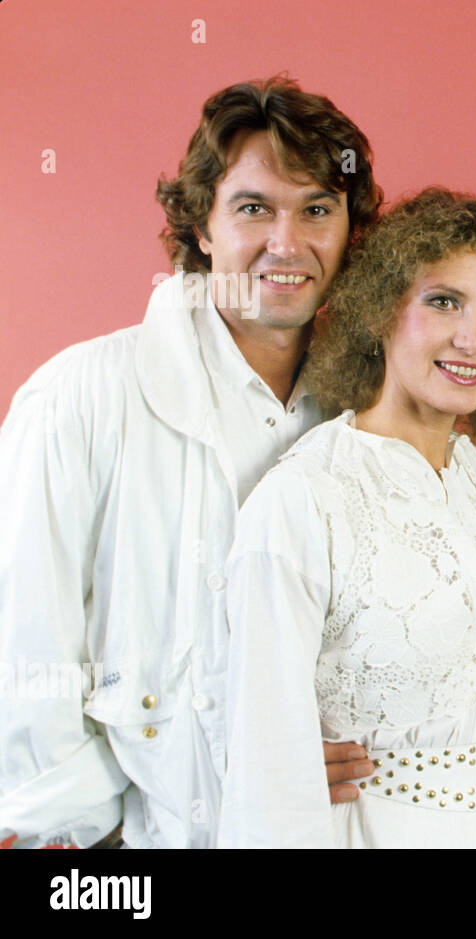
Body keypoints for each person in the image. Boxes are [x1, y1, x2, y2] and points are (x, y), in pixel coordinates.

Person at [0, 78, 379, 848]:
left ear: (350, 231)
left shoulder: (371, 408)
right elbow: (25, 656)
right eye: (252, 208)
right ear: (200, 225)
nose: (286, 242)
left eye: (316, 209)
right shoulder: (80, 397)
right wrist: (87, 846)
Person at [218, 189, 476, 848]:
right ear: (379, 310)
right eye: (442, 302)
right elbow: (265, 771)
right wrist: (285, 772)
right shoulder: (303, 497)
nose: (474, 339)